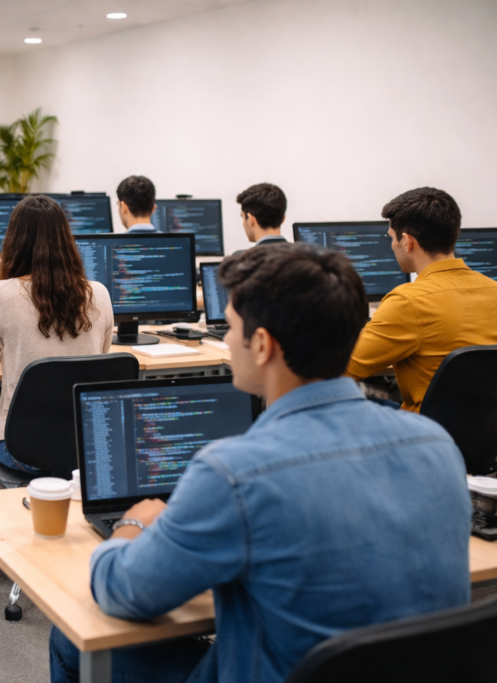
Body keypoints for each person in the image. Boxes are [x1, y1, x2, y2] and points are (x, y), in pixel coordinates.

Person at [49, 243, 472, 683]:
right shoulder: (436, 444)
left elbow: (124, 591)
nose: (227, 340)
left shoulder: (235, 474)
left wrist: (132, 526)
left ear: (264, 345)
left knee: (70, 636)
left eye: (231, 328)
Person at [0, 195, 114, 492]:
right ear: (66, 240)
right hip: (85, 444)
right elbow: (99, 359)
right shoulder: (99, 293)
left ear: (14, 240)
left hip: (23, 451)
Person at [347, 187, 497, 412]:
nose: (392, 245)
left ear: (407, 241)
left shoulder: (407, 302)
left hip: (426, 430)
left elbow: (344, 368)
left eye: (391, 238)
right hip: (487, 429)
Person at [234, 182, 287, 254]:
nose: (243, 224)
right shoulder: (302, 255)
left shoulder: (240, 258)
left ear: (250, 220)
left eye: (242, 217)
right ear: (283, 218)